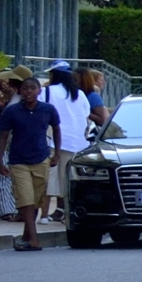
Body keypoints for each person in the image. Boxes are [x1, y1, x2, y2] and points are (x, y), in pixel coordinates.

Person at [0, 72, 61, 252]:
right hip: (18, 161)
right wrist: (0, 159)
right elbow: (3, 136)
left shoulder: (48, 109)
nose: (29, 92)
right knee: (25, 199)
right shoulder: (12, 111)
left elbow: (56, 129)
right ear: (20, 91)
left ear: (39, 91)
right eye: (25, 89)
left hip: (41, 159)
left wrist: (57, 154)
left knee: (36, 201)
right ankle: (34, 239)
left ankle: (26, 236)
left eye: (32, 88)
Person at [40, 61, 87, 222]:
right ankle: (67, 215)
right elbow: (85, 114)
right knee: (67, 182)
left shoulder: (47, 91)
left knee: (49, 181)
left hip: (54, 141)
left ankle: (44, 215)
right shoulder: (79, 94)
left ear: (54, 75)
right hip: (76, 143)